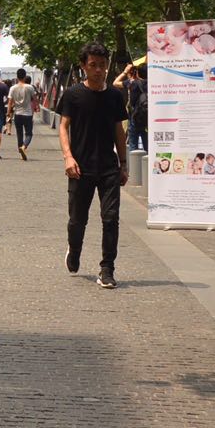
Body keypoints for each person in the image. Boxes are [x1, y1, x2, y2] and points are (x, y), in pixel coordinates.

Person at [59, 42, 129, 289]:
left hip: (108, 167)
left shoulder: (114, 96)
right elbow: (63, 126)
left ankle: (107, 268)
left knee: (111, 218)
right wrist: (68, 156)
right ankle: (75, 249)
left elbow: (118, 131)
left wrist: (123, 162)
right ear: (83, 66)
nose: (99, 70)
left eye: (102, 65)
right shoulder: (73, 95)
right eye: (93, 65)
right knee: (78, 219)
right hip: (80, 167)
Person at [113, 63, 149, 152]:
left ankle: (134, 165)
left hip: (134, 119)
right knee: (148, 147)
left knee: (133, 148)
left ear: (137, 73)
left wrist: (125, 72)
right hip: (148, 120)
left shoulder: (132, 83)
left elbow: (115, 83)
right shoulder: (152, 84)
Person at [7, 68, 38, 160]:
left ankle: (21, 151)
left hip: (17, 113)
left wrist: (8, 113)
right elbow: (35, 98)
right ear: (25, 76)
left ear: (17, 77)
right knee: (29, 134)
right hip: (27, 113)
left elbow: (9, 102)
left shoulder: (13, 88)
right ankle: (24, 147)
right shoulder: (29, 87)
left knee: (19, 133)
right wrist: (37, 106)